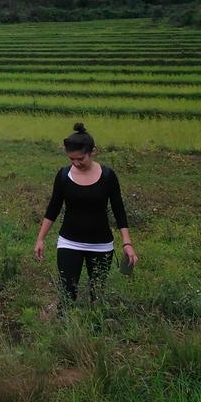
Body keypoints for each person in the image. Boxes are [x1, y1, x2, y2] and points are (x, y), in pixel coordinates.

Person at [34, 123, 139, 311]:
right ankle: (64, 332)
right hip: (69, 242)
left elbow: (119, 210)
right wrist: (41, 238)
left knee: (97, 294)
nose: (76, 163)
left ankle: (95, 332)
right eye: (71, 159)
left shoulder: (108, 176)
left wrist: (127, 243)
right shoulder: (63, 176)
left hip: (101, 245)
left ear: (93, 152)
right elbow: (53, 207)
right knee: (67, 293)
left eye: (80, 158)